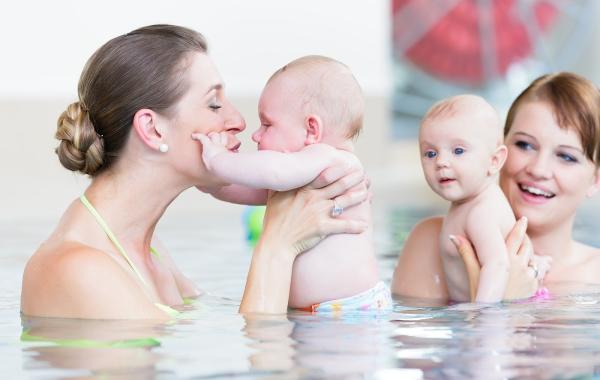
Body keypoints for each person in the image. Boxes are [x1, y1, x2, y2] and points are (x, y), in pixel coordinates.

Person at [20, 25, 369, 320]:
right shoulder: (81, 270)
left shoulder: (143, 246)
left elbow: (212, 323)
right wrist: (277, 247)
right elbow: (265, 362)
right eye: (214, 104)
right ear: (154, 130)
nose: (238, 121)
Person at [194, 55, 390, 312]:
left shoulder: (329, 158)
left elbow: (274, 172)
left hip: (348, 310)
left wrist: (218, 159)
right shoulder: (302, 174)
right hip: (325, 313)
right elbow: (247, 187)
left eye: (267, 124)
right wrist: (211, 182)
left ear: (311, 130)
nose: (256, 134)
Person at [392, 72, 600, 302]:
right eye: (524, 145)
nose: (538, 169)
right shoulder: (432, 243)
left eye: (566, 157)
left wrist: (497, 305)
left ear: (595, 180)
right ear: (497, 154)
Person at [418, 94, 550, 302]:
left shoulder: (480, 212)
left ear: (495, 160)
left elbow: (497, 265)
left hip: (496, 314)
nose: (441, 161)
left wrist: (483, 318)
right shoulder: (470, 203)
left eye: (458, 150)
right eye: (430, 153)